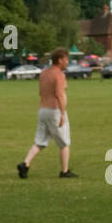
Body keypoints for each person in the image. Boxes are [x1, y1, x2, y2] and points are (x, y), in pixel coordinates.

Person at [17, 48, 75, 179]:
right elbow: (59, 94)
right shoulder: (58, 74)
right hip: (54, 110)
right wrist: (62, 113)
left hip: (42, 110)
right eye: (66, 59)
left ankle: (25, 164)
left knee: (40, 141)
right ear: (60, 60)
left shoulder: (44, 73)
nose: (67, 62)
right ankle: (64, 171)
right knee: (64, 143)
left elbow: (41, 92)